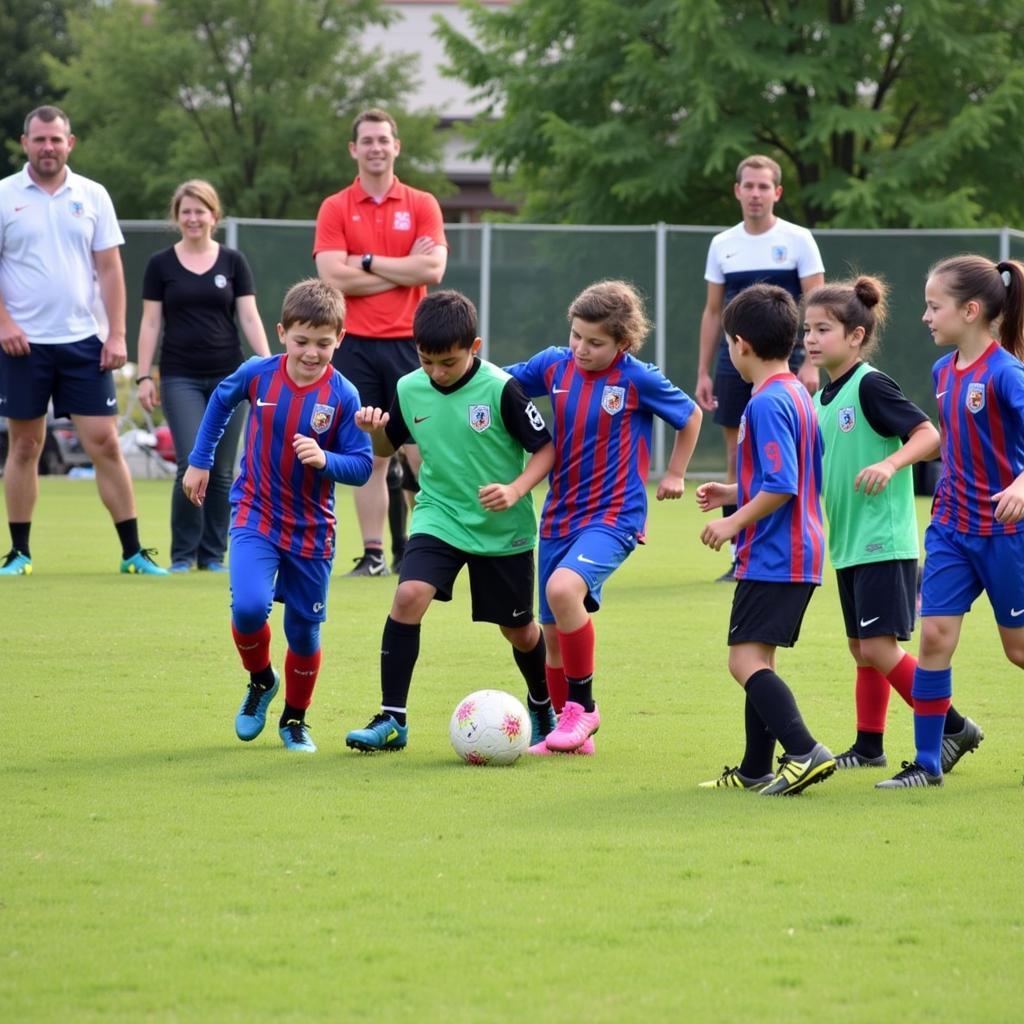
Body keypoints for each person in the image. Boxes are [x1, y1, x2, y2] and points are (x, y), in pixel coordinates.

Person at [343, 290, 556, 753]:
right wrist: (375, 431)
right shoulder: (408, 387)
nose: (436, 372)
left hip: (502, 528)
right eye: (427, 361)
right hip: (439, 514)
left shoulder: (502, 388)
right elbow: (386, 448)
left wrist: (516, 489)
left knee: (518, 631)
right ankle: (393, 719)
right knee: (408, 595)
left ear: (473, 347)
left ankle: (541, 705)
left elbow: (546, 447)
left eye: (449, 362)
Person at [504, 280, 702, 755]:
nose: (582, 349)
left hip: (615, 515)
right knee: (551, 635)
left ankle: (583, 710)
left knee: (561, 590)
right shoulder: (554, 364)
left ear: (623, 343)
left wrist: (675, 472)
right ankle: (564, 738)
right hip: (558, 516)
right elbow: (498, 384)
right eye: (576, 336)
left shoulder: (637, 379)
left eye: (596, 342)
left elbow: (690, 416)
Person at [182, 279, 373, 753]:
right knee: (248, 608)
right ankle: (260, 681)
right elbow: (219, 403)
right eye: (302, 341)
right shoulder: (258, 373)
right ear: (282, 332)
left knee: (303, 632)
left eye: (323, 344)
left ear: (340, 340)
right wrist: (200, 459)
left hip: (311, 530)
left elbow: (364, 464)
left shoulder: (343, 395)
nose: (311, 353)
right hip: (255, 514)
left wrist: (325, 459)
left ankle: (295, 720)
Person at [804, 275, 982, 772]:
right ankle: (869, 746)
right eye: (808, 330)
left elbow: (929, 435)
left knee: (880, 647)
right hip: (850, 541)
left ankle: (951, 725)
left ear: (856, 336)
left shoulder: (870, 384)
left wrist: (890, 464)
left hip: (883, 540)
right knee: (862, 649)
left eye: (823, 329)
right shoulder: (824, 397)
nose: (811, 339)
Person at [0, 105, 167, 576]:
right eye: (39, 139)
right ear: (25, 142)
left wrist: (115, 334)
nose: (48, 147)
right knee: (25, 446)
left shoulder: (92, 194)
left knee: (106, 443)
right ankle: (19, 553)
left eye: (56, 139)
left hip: (84, 343)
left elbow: (110, 268)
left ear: (69, 143)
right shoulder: (5, 195)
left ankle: (132, 551)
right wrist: (5, 323)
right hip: (22, 344)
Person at [877, 255, 1024, 789]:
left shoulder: (1007, 373)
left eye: (934, 306)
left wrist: (1020, 485)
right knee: (935, 637)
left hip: (1008, 535)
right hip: (950, 529)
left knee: (1018, 649)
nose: (925, 317)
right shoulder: (942, 373)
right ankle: (927, 763)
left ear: (971, 309)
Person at [696, 283, 835, 796]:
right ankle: (756, 768)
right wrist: (732, 490)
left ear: (739, 345)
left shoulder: (766, 404)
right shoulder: (797, 392)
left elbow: (781, 485)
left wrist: (733, 521)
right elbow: (787, 476)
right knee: (760, 658)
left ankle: (804, 750)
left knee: (744, 661)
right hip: (797, 550)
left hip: (776, 553)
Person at [314, 108, 448, 577]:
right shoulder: (335, 207)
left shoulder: (422, 203)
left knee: (421, 451)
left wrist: (365, 261)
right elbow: (331, 277)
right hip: (355, 346)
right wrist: (398, 268)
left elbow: (432, 271)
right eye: (366, 140)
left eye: (383, 140)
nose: (375, 147)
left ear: (397, 146)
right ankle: (373, 555)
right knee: (369, 454)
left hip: (413, 348)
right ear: (354, 149)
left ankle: (427, 548)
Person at [696, 154, 825, 582]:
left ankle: (792, 541)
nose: (755, 193)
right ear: (737, 191)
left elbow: (817, 306)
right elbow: (714, 312)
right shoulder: (722, 244)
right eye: (748, 186)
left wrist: (810, 360)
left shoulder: (798, 239)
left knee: (789, 459)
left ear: (777, 192)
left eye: (763, 186)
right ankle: (741, 553)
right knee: (739, 457)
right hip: (736, 360)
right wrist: (704, 370)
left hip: (782, 359)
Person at [136, 179, 271, 573]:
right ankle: (182, 555)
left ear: (215, 215)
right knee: (191, 461)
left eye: (201, 211)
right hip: (180, 377)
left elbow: (248, 315)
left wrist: (267, 367)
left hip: (230, 377)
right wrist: (145, 376)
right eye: (186, 211)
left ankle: (212, 556)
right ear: (177, 217)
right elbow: (149, 324)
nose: (193, 218)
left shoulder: (233, 262)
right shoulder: (160, 264)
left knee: (224, 470)